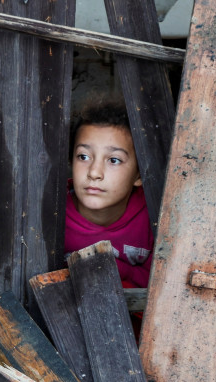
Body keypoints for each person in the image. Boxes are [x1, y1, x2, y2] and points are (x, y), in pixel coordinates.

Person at [64, 102, 153, 288]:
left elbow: (164, 285)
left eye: (114, 160)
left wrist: (120, 270)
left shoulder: (154, 216)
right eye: (83, 157)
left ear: (139, 174)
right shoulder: (52, 214)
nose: (94, 173)